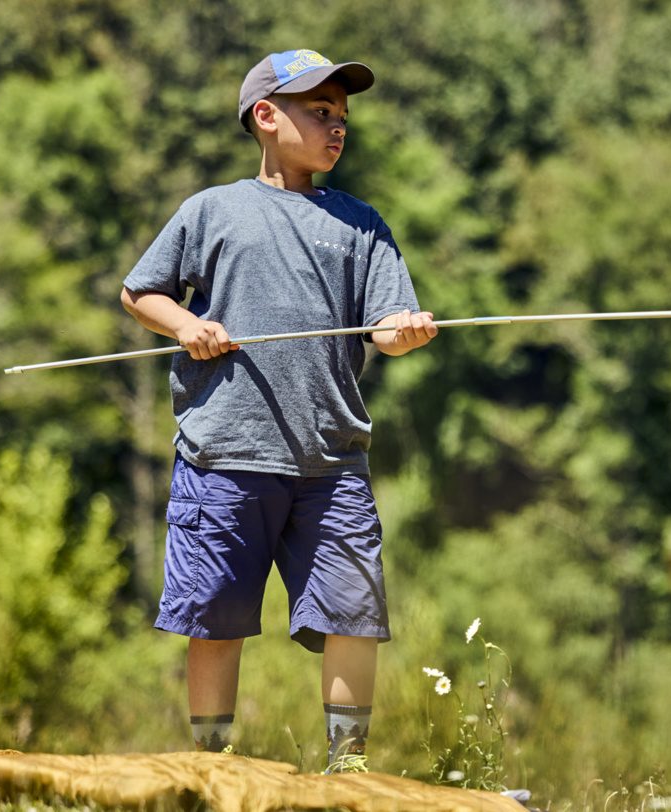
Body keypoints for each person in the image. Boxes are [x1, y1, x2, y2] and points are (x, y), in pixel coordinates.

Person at [119, 48, 438, 767]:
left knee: (355, 610)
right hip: (224, 455)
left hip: (333, 462)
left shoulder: (362, 224)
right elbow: (141, 294)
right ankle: (210, 764)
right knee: (216, 618)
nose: (337, 128)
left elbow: (386, 327)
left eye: (343, 118)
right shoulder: (212, 210)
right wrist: (187, 326)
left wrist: (406, 332)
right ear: (266, 116)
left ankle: (347, 768)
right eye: (319, 112)